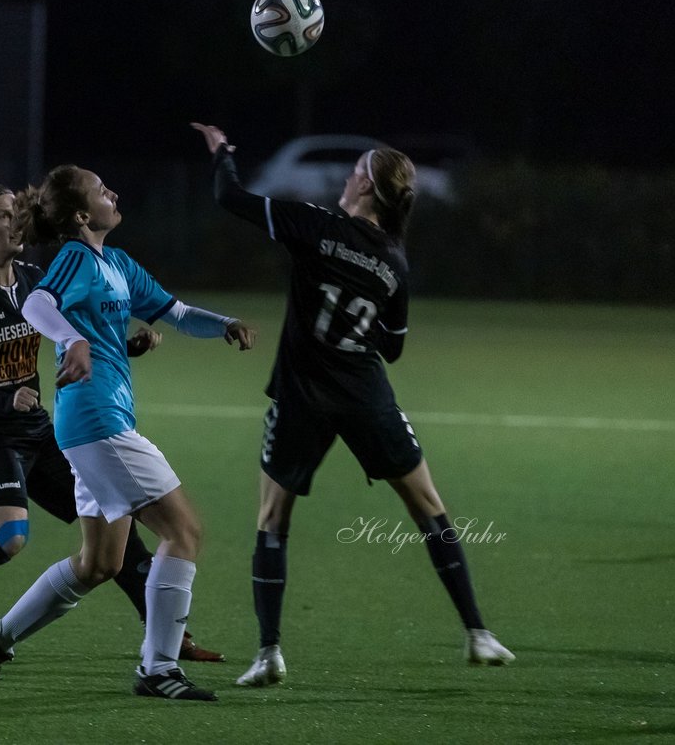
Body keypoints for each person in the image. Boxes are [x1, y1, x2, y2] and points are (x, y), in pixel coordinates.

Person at [188, 122, 514, 688]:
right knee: (429, 507)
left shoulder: (315, 226)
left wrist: (223, 154)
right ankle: (478, 633)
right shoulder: (394, 260)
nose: (348, 173)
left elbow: (228, 198)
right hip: (365, 394)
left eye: (356, 168)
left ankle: (268, 653)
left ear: (366, 187)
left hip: (302, 394)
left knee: (272, 519)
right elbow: (394, 345)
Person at [0, 179, 225, 664]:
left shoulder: (37, 279)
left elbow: (76, 338)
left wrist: (125, 347)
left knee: (115, 517)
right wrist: (2, 401)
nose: (15, 223)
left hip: (39, 430)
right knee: (10, 538)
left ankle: (168, 639)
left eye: (17, 213)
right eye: (1, 215)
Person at [0, 165, 257, 702]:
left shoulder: (118, 264)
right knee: (184, 532)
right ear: (81, 215)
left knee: (100, 563)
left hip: (99, 423)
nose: (114, 192)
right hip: (97, 421)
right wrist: (73, 340)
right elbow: (36, 305)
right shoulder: (76, 257)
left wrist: (223, 324)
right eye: (103, 190)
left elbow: (176, 312)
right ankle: (159, 668)